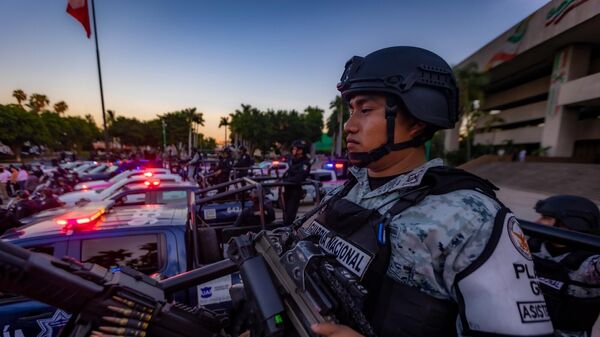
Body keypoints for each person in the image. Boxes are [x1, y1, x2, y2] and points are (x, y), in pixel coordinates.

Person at [300, 47, 553, 337]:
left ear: (418, 119)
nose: (349, 125)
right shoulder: (349, 191)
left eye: (365, 110)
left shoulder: (471, 218)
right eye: (351, 110)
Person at [528, 195, 600, 337]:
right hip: (524, 330)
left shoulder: (589, 265)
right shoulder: (532, 245)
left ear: (571, 223)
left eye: (546, 217)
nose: (537, 222)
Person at [282, 139, 311, 226]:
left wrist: (287, 180)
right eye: (293, 149)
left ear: (301, 151)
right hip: (287, 190)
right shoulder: (292, 160)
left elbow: (300, 177)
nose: (293, 151)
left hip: (295, 191)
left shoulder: (305, 163)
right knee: (285, 213)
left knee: (290, 215)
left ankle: (288, 231)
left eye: (295, 149)